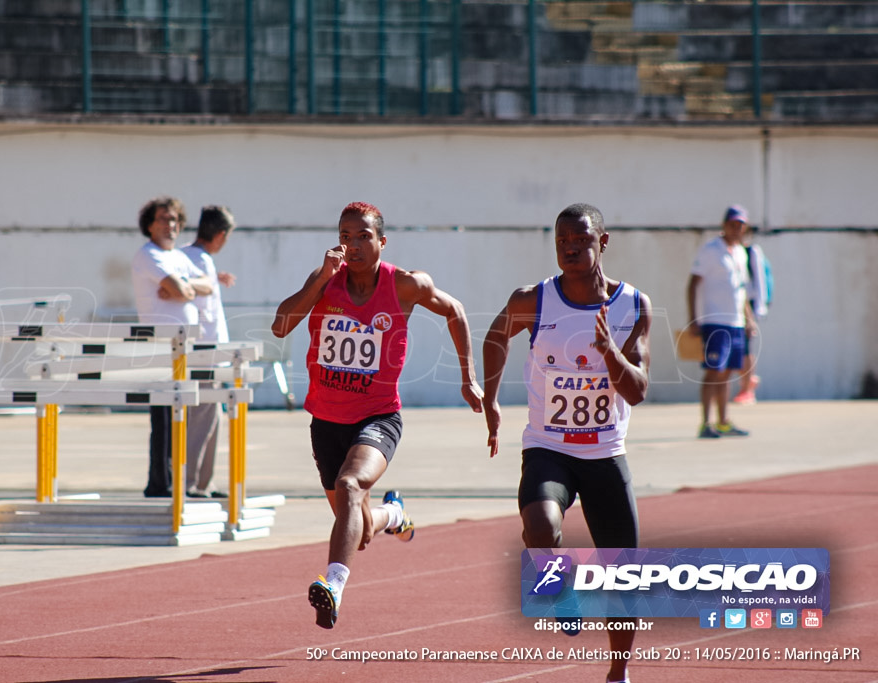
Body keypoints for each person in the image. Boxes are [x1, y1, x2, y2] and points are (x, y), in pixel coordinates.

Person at [272, 201, 483, 629]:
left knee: (350, 485)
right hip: (326, 421)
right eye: (345, 236)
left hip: (377, 417)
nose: (353, 245)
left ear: (382, 241)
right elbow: (280, 326)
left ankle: (332, 585)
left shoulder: (405, 285)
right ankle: (394, 515)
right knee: (361, 531)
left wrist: (469, 378)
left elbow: (456, 311)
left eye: (363, 236)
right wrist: (320, 281)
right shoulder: (325, 279)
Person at [482, 203, 651, 683]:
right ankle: (560, 592)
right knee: (539, 523)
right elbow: (496, 336)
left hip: (605, 454)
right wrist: (491, 399)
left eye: (581, 240)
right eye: (561, 241)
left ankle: (618, 673)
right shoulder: (532, 300)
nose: (570, 248)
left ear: (603, 241)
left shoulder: (633, 305)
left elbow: (637, 391)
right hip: (548, 447)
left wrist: (610, 352)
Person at [130, 196, 212, 497]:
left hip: (185, 348)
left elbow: (208, 284)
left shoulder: (177, 257)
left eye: (175, 219)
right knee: (164, 416)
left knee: (182, 414)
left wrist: (183, 289)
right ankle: (159, 483)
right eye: (164, 219)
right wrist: (182, 288)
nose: (171, 225)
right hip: (161, 348)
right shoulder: (148, 255)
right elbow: (181, 287)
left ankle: (176, 480)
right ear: (150, 225)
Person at [180, 205, 236, 499]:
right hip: (205, 350)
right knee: (204, 417)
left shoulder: (188, 256)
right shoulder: (199, 260)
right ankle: (192, 481)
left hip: (204, 350)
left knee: (213, 416)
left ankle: (204, 481)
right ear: (220, 235)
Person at [686, 204, 755, 437]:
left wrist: (749, 319)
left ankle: (724, 421)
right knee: (713, 372)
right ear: (724, 225)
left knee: (727, 373)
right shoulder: (710, 250)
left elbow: (742, 290)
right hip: (714, 321)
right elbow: (693, 284)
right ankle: (706, 424)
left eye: (741, 225)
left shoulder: (741, 252)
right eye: (733, 224)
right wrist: (693, 319)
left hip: (735, 323)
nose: (737, 229)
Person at [733, 231, 770, 405]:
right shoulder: (732, 251)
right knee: (740, 349)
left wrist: (758, 310)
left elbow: (760, 281)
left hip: (749, 306)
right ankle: (748, 381)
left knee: (746, 348)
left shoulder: (751, 251)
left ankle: (748, 386)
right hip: (736, 305)